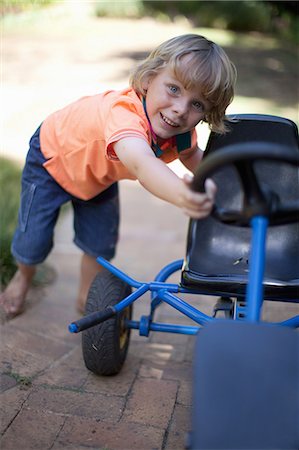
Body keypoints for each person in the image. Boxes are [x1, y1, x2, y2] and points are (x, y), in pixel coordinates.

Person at [0, 33, 236, 318]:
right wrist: (182, 195)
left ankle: (87, 295)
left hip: (98, 175)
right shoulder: (124, 114)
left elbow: (193, 158)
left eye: (197, 104)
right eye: (173, 89)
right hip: (53, 159)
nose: (180, 109)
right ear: (149, 79)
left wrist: (228, 187)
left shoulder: (181, 131)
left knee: (100, 242)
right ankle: (23, 277)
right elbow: (141, 163)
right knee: (32, 241)